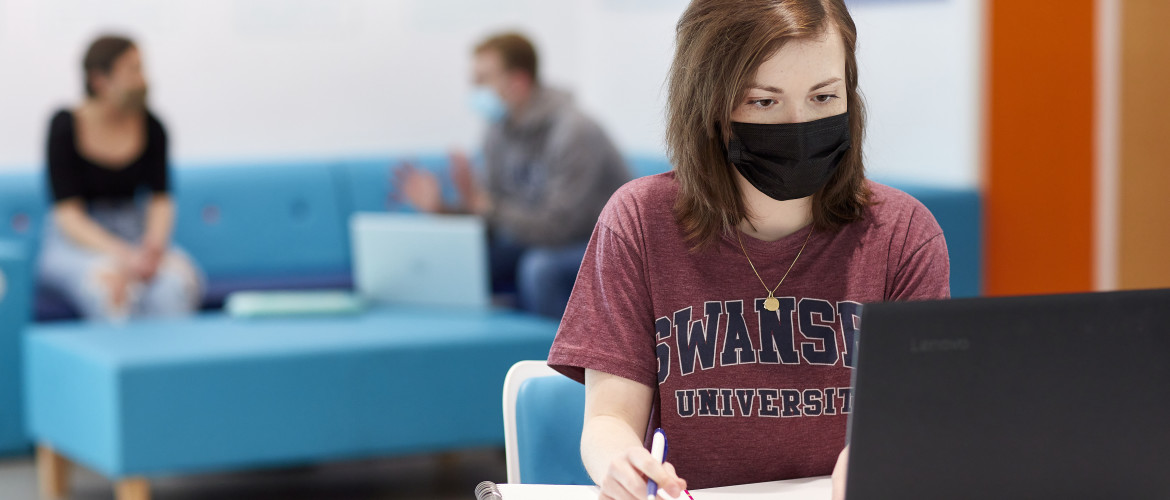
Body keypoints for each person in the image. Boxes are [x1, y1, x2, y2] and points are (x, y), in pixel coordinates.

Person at [546, 0, 950, 498]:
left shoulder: (903, 234)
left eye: (824, 98)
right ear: (711, 106)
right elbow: (609, 417)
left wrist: (879, 457)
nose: (798, 123)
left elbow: (911, 420)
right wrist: (620, 461)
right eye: (764, 101)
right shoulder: (639, 222)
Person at [395, 32, 630, 319]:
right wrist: (443, 209)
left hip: (597, 244)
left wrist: (485, 206)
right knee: (466, 261)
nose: (474, 90)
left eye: (482, 80)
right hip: (538, 238)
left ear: (518, 82)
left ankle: (557, 362)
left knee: (539, 268)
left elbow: (558, 228)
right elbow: (492, 219)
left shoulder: (574, 131)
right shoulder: (497, 131)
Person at [39, 35, 203, 322]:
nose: (143, 80)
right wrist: (123, 256)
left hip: (135, 232)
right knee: (112, 291)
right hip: (81, 240)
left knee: (175, 285)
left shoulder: (153, 126)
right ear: (99, 80)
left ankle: (167, 364)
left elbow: (160, 199)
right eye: (133, 70)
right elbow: (68, 216)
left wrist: (152, 248)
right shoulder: (65, 126)